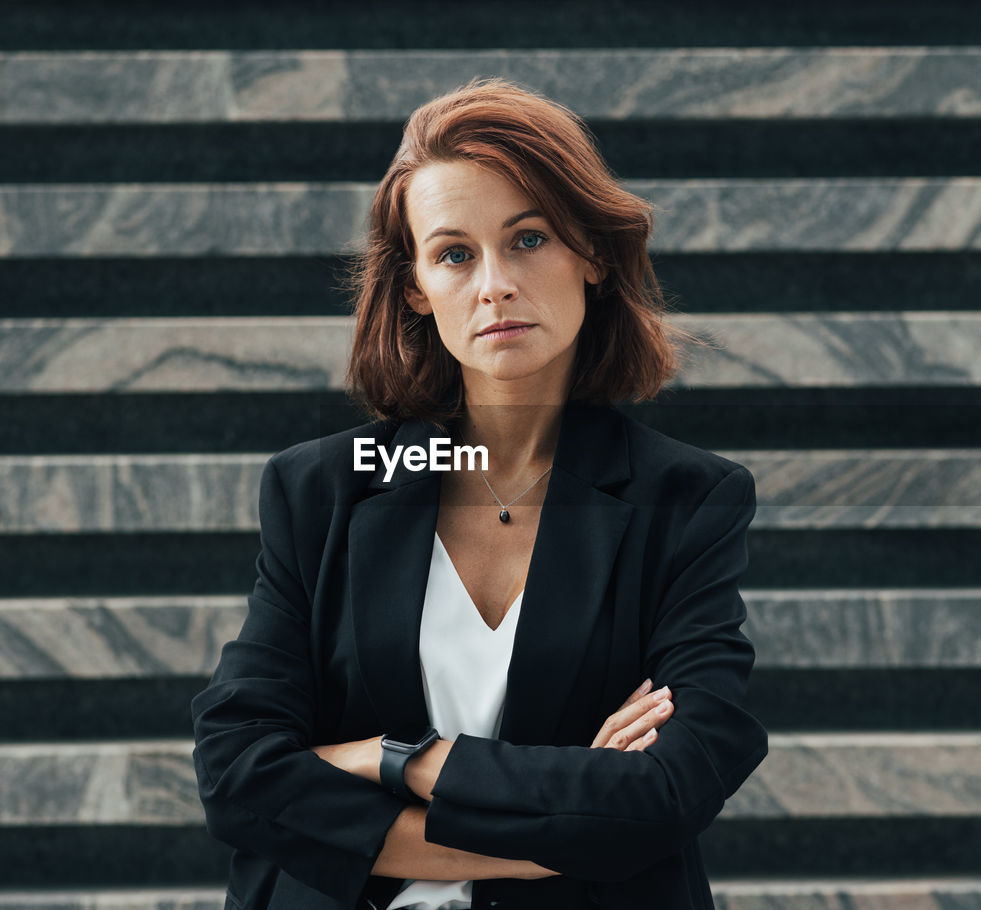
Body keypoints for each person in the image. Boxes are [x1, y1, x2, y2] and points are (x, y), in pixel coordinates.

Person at [191, 76, 767, 910]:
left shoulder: (686, 501)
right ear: (419, 288)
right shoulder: (321, 490)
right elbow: (238, 771)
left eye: (528, 239)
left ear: (592, 252)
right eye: (454, 253)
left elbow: (671, 789)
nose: (494, 283)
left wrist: (397, 756)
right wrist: (550, 843)